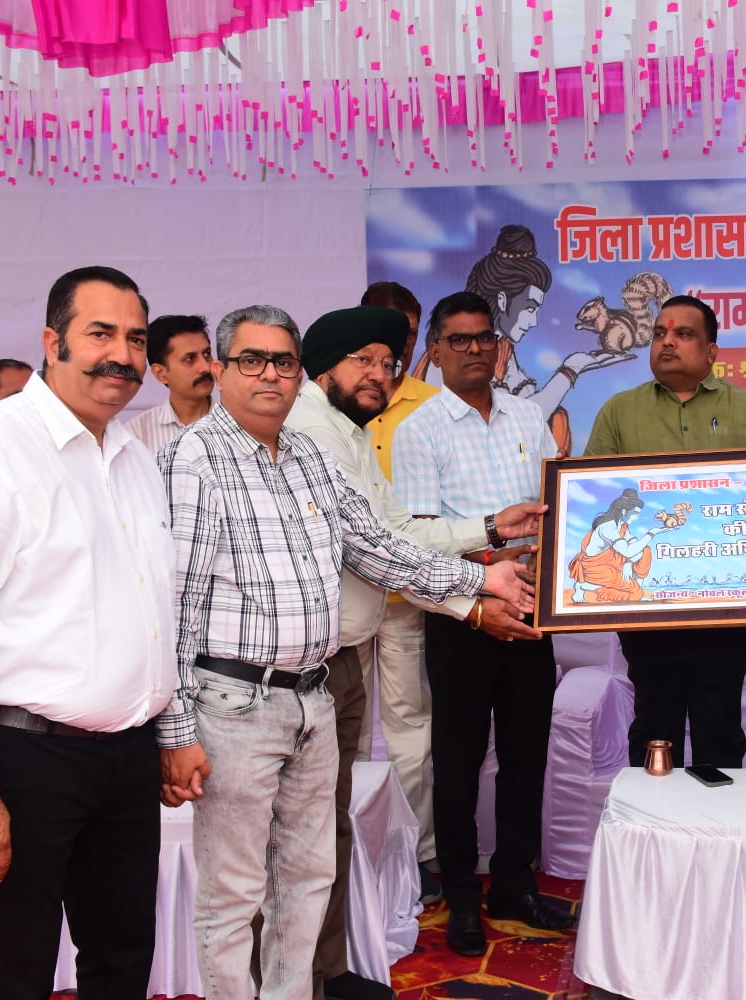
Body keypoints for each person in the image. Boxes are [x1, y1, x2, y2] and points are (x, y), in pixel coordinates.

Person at [155, 304, 533, 1000]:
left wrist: (480, 580)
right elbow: (174, 604)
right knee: (234, 895)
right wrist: (176, 729)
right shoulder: (192, 459)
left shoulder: (308, 457)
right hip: (233, 704)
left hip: (313, 696)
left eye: (282, 361)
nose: (269, 375)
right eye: (251, 360)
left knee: (306, 882)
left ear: (300, 371)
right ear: (220, 368)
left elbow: (376, 547)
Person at [0, 266, 173, 998]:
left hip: (128, 759)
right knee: (11, 971)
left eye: (135, 338)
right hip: (21, 763)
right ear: (53, 343)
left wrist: (169, 732)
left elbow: (148, 611)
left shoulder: (132, 457)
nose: (121, 355)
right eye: (100, 334)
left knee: (122, 961)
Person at [285, 304, 546, 997]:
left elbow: (397, 529)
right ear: (324, 366)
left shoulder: (346, 431)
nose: (381, 375)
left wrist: (492, 525)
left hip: (340, 657)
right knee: (309, 830)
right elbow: (375, 550)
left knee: (327, 824)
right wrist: (473, 598)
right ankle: (308, 976)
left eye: (388, 362)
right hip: (309, 665)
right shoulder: (312, 435)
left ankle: (327, 973)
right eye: (364, 361)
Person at [392, 291, 574, 957]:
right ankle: (464, 896)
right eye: (459, 340)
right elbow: (418, 537)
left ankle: (515, 885)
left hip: (531, 607)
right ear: (435, 351)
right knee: (458, 763)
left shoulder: (528, 415)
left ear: (499, 347)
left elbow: (556, 508)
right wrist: (490, 565)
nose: (473, 350)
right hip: (462, 614)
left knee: (527, 755)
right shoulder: (420, 431)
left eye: (483, 338)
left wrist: (540, 567)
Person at [584, 294, 746, 769]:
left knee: (720, 730)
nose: (667, 342)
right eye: (659, 334)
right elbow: (593, 499)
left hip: (726, 608)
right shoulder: (620, 411)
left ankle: (718, 817)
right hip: (646, 608)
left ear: (712, 351)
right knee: (654, 729)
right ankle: (652, 816)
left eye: (683, 334)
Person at [355, 282, 446, 903]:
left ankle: (419, 855)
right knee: (347, 730)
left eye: (408, 333)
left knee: (411, 728)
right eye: (387, 330)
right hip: (344, 594)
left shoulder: (433, 405)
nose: (398, 344)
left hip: (409, 596)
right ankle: (355, 854)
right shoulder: (334, 401)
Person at [463, 223, 630, 455]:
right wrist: (570, 370)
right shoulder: (459, 357)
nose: (533, 321)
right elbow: (517, 423)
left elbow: (526, 417)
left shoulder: (504, 351)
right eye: (530, 308)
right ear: (502, 300)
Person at [567, 487, 682, 603]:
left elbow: (637, 547)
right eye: (635, 513)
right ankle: (585, 586)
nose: (636, 518)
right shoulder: (607, 528)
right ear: (623, 511)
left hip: (611, 562)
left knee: (645, 550)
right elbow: (628, 551)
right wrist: (652, 533)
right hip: (596, 568)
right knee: (635, 594)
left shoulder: (622, 526)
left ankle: (637, 589)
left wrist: (628, 563)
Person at [126, 313, 215, 454]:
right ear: (160, 374)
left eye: (207, 354)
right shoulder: (136, 435)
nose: (205, 367)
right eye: (190, 359)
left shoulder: (241, 423)